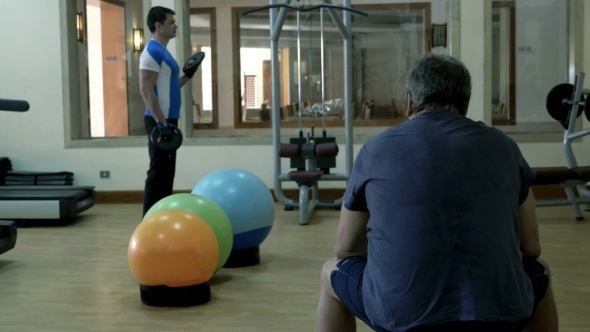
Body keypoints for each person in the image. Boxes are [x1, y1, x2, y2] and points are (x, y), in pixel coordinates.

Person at [316, 54, 558, 332]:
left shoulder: (376, 149)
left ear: (409, 103)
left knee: (329, 270)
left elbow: (346, 249)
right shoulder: (505, 147)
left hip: (401, 318)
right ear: (465, 104)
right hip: (503, 316)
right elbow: (531, 248)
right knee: (542, 272)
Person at [139, 6, 204, 217]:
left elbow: (168, 86)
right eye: (171, 22)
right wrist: (161, 123)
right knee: (158, 173)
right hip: (160, 122)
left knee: (167, 174)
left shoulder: (163, 51)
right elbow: (146, 90)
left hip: (167, 120)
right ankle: (149, 221)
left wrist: (188, 76)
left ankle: (162, 217)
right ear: (158, 26)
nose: (175, 25)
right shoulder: (152, 52)